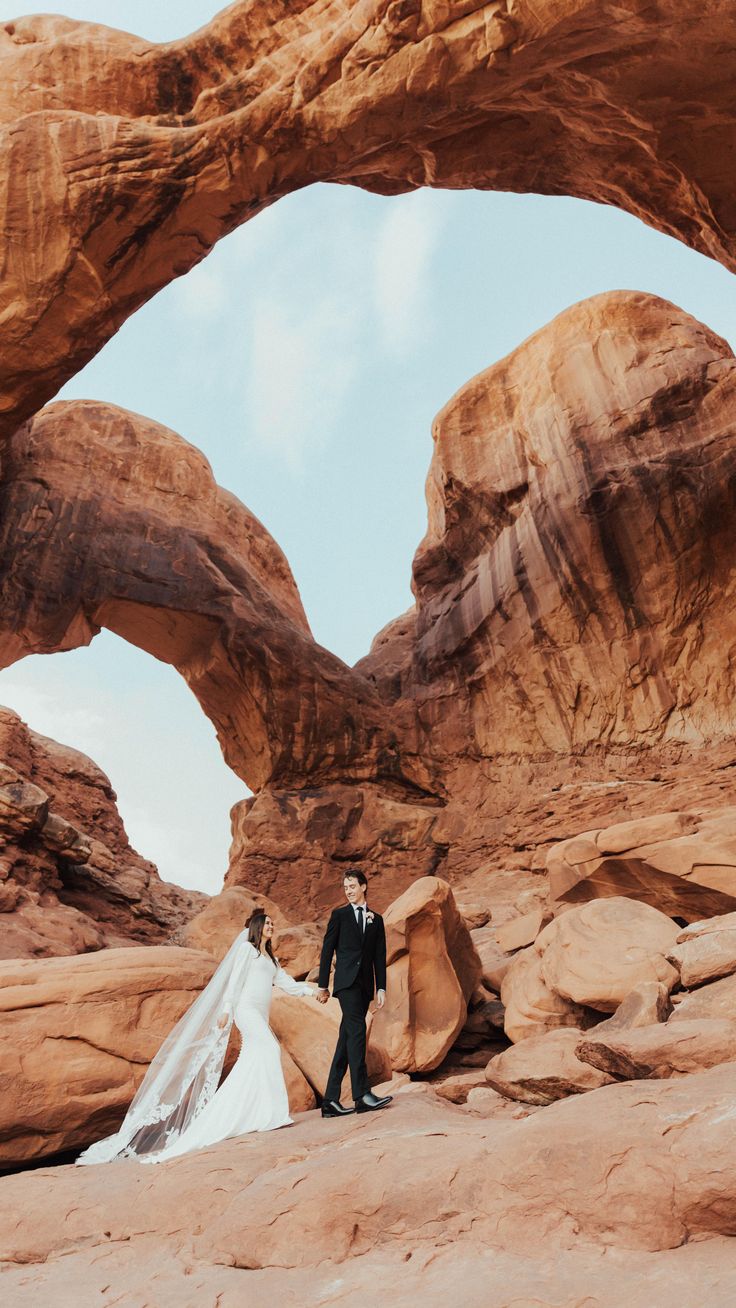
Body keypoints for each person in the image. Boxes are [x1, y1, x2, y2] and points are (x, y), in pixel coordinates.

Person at [76, 911, 315, 1165]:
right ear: (257, 927)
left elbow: (289, 985)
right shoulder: (247, 950)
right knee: (269, 1048)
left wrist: (314, 992)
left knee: (253, 1059)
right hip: (246, 1010)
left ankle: (256, 1114)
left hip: (260, 1013)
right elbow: (234, 982)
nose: (272, 926)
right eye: (267, 923)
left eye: (272, 923)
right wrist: (226, 1010)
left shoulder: (271, 959)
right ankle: (269, 1113)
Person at [317, 868, 392, 1117]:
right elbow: (327, 950)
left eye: (352, 886)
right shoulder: (339, 916)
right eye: (345, 887)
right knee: (358, 1032)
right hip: (346, 984)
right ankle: (362, 1095)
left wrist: (381, 986)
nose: (348, 891)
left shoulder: (376, 919)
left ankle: (330, 1100)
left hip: (365, 986)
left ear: (363, 887)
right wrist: (323, 985)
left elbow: (379, 956)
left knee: (345, 1040)